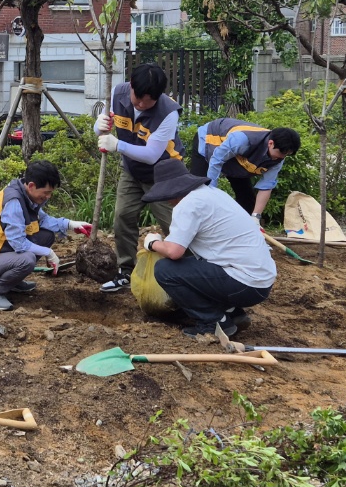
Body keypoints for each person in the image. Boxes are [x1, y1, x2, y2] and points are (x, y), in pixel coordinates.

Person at [139, 157, 277, 338]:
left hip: (245, 282)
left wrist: (152, 243)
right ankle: (233, 313)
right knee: (193, 264)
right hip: (261, 280)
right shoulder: (213, 194)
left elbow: (174, 252)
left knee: (165, 270)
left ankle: (213, 322)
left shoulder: (188, 205)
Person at [94, 63, 183, 294]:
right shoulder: (117, 93)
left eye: (148, 102)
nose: (141, 105)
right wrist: (99, 126)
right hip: (132, 171)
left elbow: (152, 155)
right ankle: (126, 271)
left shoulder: (168, 112)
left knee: (175, 224)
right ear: (131, 86)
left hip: (164, 174)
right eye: (138, 99)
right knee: (122, 216)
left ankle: (189, 273)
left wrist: (118, 145)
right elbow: (102, 125)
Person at [0, 159, 92, 311]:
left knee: (46, 236)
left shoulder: (27, 196)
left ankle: (12, 281)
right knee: (27, 259)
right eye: (46, 192)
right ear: (31, 186)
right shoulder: (14, 202)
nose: (48, 196)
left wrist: (70, 224)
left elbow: (42, 220)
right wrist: (48, 252)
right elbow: (19, 244)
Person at [188, 117, 301, 219]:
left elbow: (266, 186)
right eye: (281, 153)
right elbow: (216, 160)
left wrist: (256, 217)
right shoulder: (242, 140)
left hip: (237, 156)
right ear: (270, 143)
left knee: (247, 200)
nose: (281, 158)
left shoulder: (279, 156)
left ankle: (240, 229)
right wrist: (211, 191)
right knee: (201, 189)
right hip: (209, 140)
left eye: (286, 155)